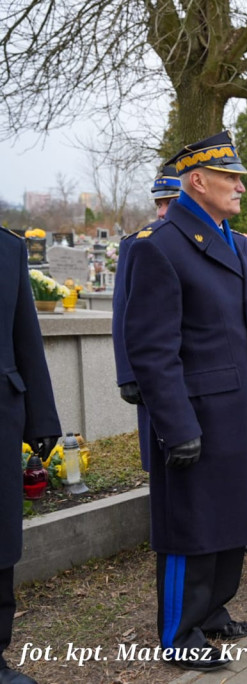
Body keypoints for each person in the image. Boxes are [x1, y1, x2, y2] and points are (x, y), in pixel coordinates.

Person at [122, 131, 247, 671]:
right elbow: (151, 349)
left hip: (241, 412)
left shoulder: (235, 242)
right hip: (197, 417)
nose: (240, 186)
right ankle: (179, 633)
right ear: (197, 181)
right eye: (230, 178)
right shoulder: (158, 246)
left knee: (230, 521)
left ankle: (214, 612)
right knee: (191, 526)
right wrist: (176, 424)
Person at [1, 228, 61, 684]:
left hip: (1, 416)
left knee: (1, 544)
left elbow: (26, 333)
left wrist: (42, 416)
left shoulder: (8, 247)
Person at [112, 165, 182, 470]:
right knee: (159, 452)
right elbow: (123, 311)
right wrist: (127, 374)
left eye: (170, 203)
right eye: (159, 204)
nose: (162, 212)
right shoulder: (138, 243)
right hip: (154, 369)